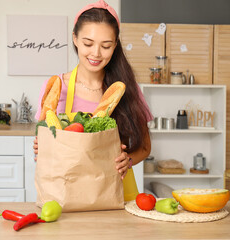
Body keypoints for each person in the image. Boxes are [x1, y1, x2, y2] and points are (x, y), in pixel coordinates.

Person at [33, 0, 152, 201]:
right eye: (88, 43)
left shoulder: (128, 90)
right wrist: (42, 146)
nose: (96, 53)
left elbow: (145, 147)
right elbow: (45, 147)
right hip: (67, 195)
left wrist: (128, 160)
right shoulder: (55, 87)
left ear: (115, 45)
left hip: (116, 193)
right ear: (75, 39)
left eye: (105, 46)